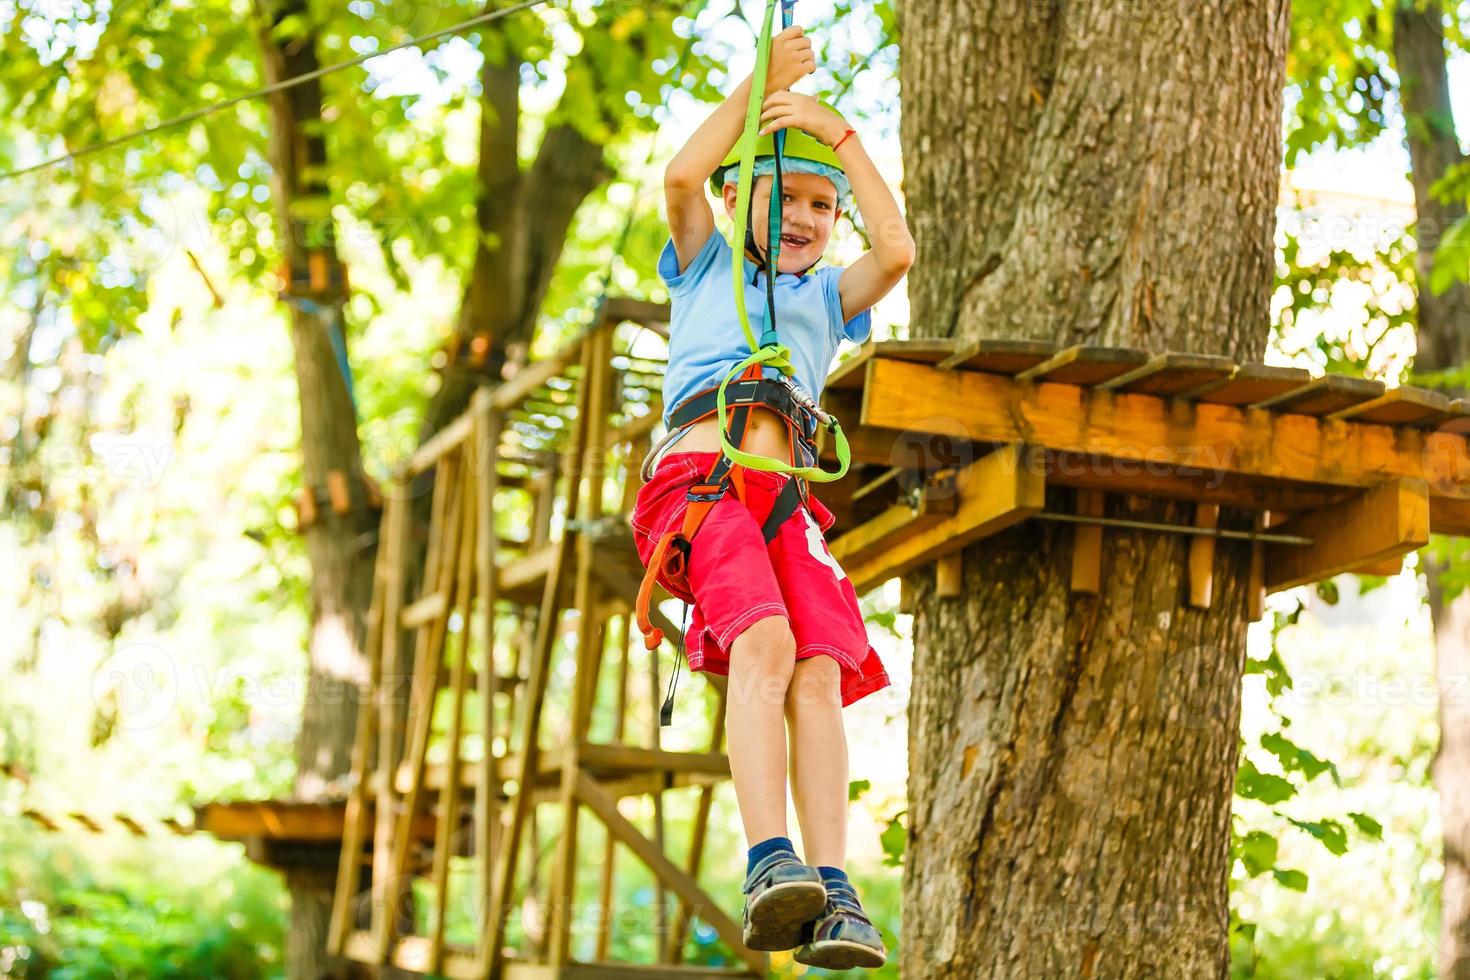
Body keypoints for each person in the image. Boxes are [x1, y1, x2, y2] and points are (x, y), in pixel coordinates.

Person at [629, 22, 914, 972]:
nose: (805, 216)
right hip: (703, 487)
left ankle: (832, 888)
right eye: (783, 195)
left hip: (787, 499)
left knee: (820, 669)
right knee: (765, 642)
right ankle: (767, 860)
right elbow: (679, 177)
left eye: (822, 207)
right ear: (736, 197)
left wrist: (844, 142)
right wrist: (759, 87)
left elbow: (900, 250)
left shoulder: (829, 298)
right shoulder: (709, 262)